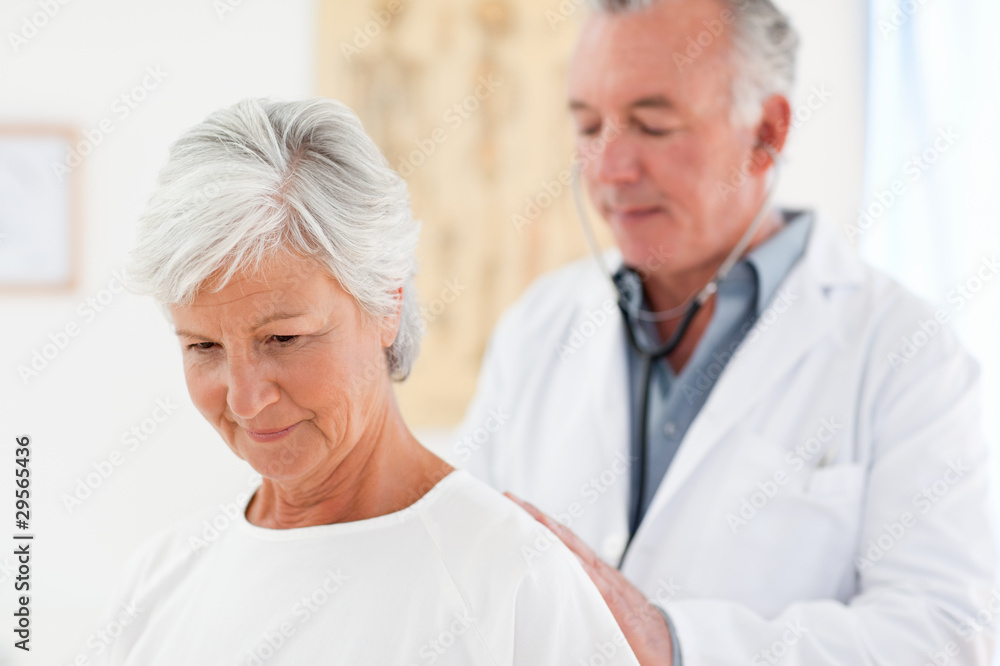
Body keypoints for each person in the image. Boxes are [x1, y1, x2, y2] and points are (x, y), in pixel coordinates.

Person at [455, 0, 998, 664]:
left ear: (767, 131)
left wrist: (676, 642)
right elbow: (460, 574)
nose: (609, 169)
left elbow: (946, 635)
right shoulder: (539, 327)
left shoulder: (904, 353)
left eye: (652, 126)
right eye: (589, 126)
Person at [98, 97, 640, 665]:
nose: (246, 399)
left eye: (283, 340)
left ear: (385, 302)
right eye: (203, 347)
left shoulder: (511, 580)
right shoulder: (159, 583)